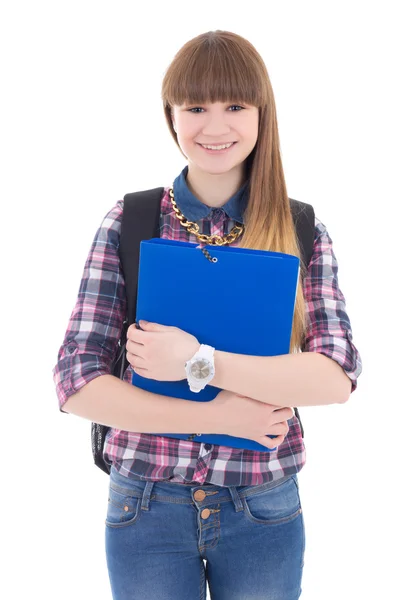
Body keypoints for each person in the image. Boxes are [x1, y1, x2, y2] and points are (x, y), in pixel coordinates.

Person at [52, 30, 362, 600]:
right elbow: (76, 385)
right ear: (170, 115)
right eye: (196, 106)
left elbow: (336, 377)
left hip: (262, 507)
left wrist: (199, 362)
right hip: (145, 506)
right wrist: (222, 417)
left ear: (262, 114)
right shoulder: (131, 221)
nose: (214, 127)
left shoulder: (300, 229)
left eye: (235, 106)